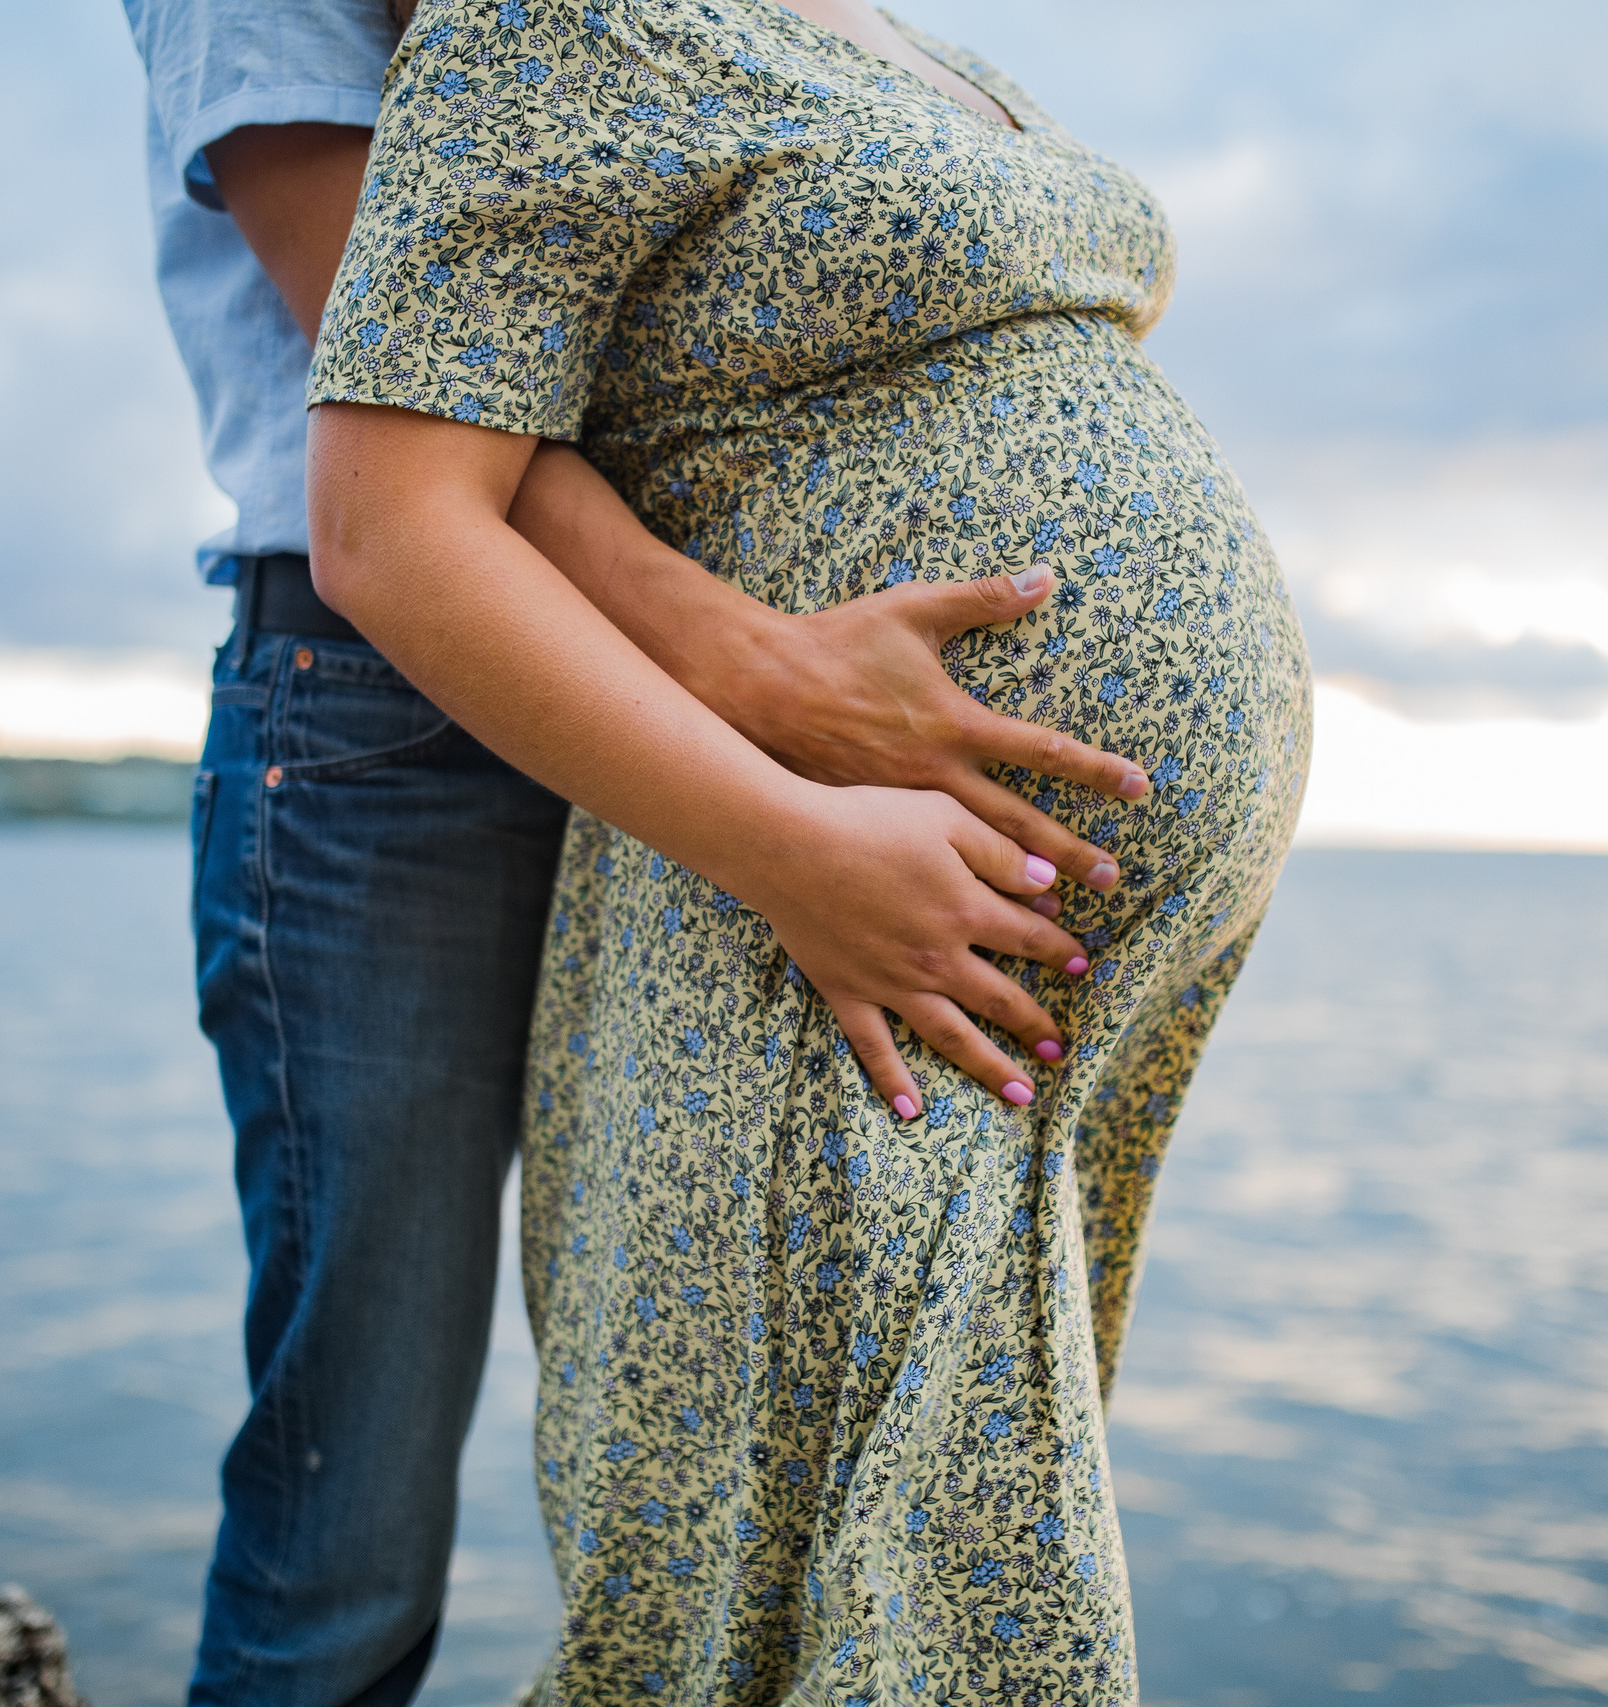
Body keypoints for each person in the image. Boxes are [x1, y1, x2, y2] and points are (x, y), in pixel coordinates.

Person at [122, 2, 1154, 1702]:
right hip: (397, 727)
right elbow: (400, 389)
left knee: (710, 1416)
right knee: (353, 1507)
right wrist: (746, 679)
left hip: (691, 694)